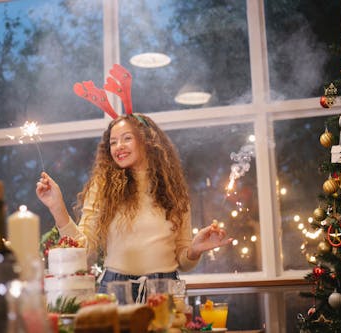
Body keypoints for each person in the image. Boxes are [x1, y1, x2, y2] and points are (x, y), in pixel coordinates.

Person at [36, 64, 232, 301]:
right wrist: (57, 208)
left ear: (148, 142)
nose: (118, 147)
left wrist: (194, 250)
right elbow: (84, 252)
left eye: (127, 138)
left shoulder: (174, 191)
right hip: (115, 289)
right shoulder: (103, 186)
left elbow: (182, 260)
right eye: (113, 142)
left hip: (165, 289)